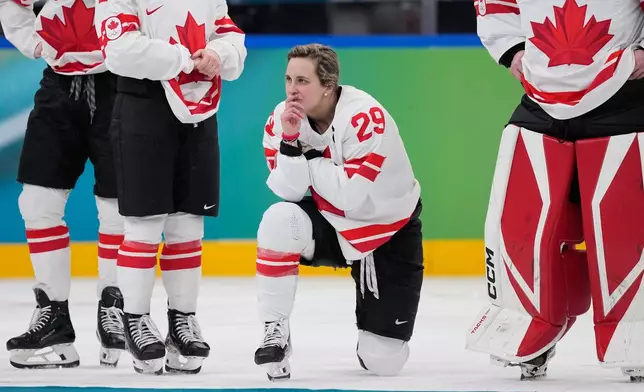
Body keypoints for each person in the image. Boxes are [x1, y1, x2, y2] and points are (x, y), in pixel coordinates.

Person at [467, 0, 644, 383]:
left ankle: (634, 329)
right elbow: (496, 6)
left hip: (625, 95)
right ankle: (531, 323)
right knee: (521, 224)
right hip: (540, 100)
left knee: (624, 226)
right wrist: (511, 49)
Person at [253, 43, 423, 381]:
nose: (292, 90)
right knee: (277, 219)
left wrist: (307, 160)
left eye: (302, 80)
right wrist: (290, 143)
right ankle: (275, 332)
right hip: (328, 221)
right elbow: (289, 191)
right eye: (288, 79)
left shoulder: (364, 117)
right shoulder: (282, 119)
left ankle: (375, 333)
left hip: (386, 230)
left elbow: (350, 196)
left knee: (382, 361)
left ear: (327, 86)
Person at [95, 0, 246, 375]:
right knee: (143, 224)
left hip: (199, 109)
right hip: (143, 106)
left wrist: (217, 52)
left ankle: (183, 320)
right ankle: (136, 319)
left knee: (188, 225)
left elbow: (230, 35)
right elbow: (118, 48)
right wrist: (185, 59)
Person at [0, 0, 126, 369]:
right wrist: (33, 42)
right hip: (58, 86)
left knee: (118, 206)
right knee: (38, 203)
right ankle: (53, 314)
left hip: (121, 84)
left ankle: (116, 309)